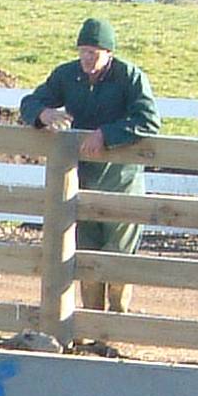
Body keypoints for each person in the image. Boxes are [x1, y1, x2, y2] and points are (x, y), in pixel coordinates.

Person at [19, 17, 161, 312]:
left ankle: (114, 326)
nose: (86, 58)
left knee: (118, 256)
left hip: (120, 181)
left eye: (93, 53)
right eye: (82, 51)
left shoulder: (130, 77)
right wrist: (42, 114)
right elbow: (29, 102)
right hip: (80, 179)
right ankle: (92, 325)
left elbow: (148, 120)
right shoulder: (67, 75)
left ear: (109, 53)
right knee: (85, 255)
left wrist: (107, 134)